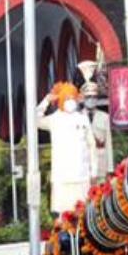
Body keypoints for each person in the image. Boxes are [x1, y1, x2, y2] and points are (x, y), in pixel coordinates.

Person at [36, 81, 96, 214]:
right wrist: (46, 100)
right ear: (61, 99)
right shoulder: (54, 119)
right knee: (63, 216)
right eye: (67, 98)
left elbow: (91, 145)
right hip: (62, 178)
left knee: (83, 213)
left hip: (81, 176)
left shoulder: (83, 119)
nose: (70, 101)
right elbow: (34, 120)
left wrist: (94, 171)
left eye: (72, 98)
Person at [81, 81, 114, 181]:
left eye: (93, 97)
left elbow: (108, 142)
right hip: (83, 162)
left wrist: (110, 168)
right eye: (88, 97)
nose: (91, 99)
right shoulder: (78, 117)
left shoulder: (104, 117)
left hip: (101, 161)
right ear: (83, 98)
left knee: (100, 188)